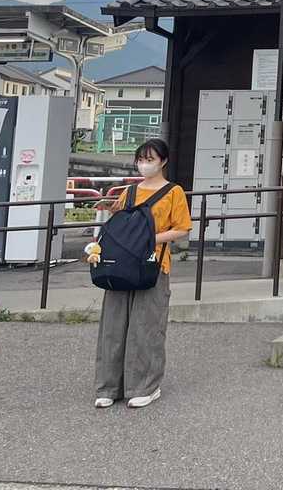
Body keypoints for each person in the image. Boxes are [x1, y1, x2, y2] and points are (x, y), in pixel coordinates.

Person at [88, 139, 191, 410]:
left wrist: (148, 240)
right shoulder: (130, 192)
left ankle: (146, 386)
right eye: (141, 160)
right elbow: (120, 224)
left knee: (146, 327)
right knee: (113, 326)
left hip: (153, 264)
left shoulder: (174, 192)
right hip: (122, 264)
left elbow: (182, 229)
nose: (144, 164)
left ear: (163, 161)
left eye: (150, 159)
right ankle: (109, 386)